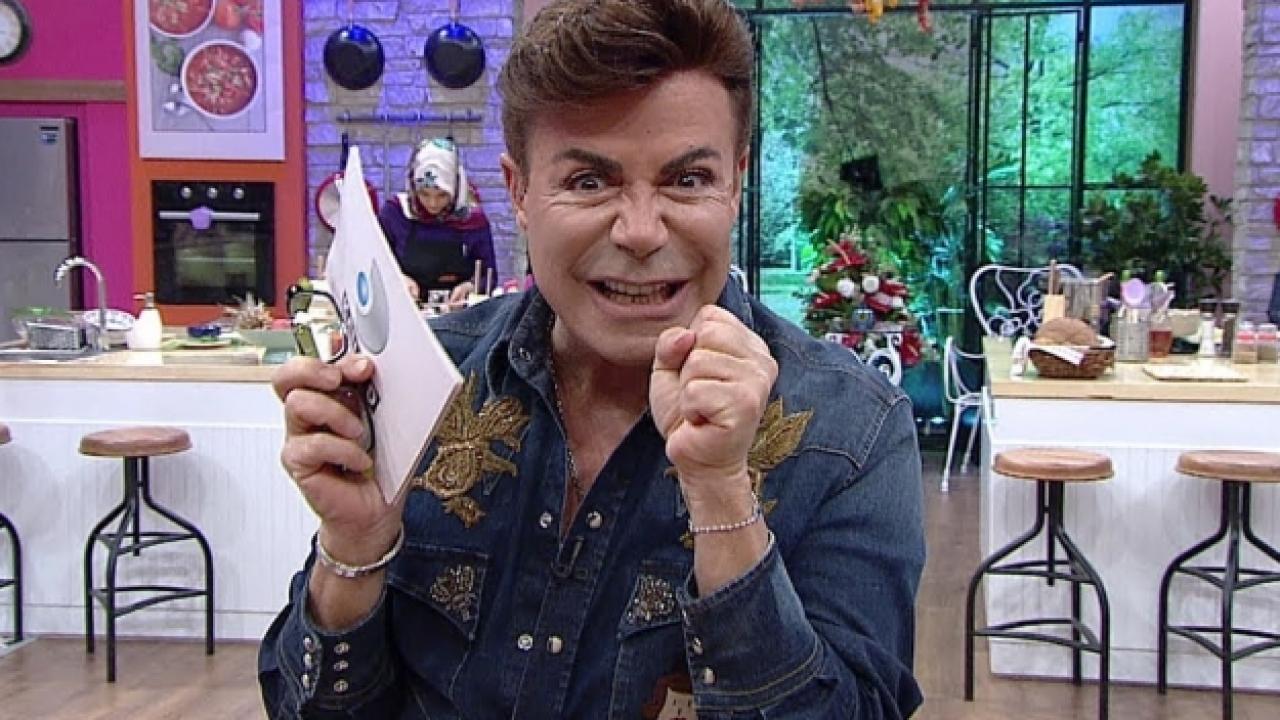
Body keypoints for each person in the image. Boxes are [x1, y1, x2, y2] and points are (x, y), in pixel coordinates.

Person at [259, 0, 925, 717]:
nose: (640, 231)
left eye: (687, 180)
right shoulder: (422, 380)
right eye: (588, 182)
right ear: (518, 192)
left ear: (735, 183)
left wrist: (722, 496)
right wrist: (355, 547)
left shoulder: (850, 431)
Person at [377, 136, 496, 303]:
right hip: (405, 308)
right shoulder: (395, 214)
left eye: (442, 195)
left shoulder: (473, 220)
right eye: (424, 194)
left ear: (456, 188)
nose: (432, 204)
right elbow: (376, 262)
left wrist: (470, 287)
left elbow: (489, 275)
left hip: (458, 311)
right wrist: (398, 279)